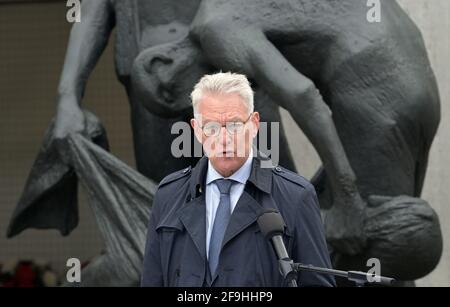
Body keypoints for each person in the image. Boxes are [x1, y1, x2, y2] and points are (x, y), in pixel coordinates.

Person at [141, 72, 335, 287]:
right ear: (197, 130)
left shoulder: (296, 196)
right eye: (212, 128)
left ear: (253, 124)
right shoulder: (169, 194)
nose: (224, 139)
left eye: (234, 125)